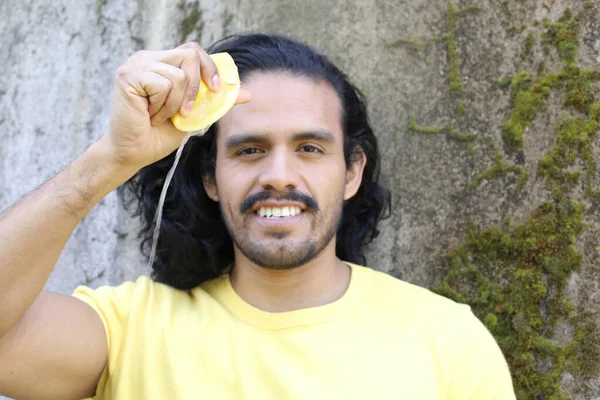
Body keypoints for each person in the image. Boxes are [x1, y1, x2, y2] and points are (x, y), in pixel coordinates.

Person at [0, 33, 515, 399]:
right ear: (210, 177)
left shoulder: (449, 341)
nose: (279, 175)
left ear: (352, 172)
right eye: (249, 150)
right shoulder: (130, 330)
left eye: (310, 148)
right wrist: (111, 158)